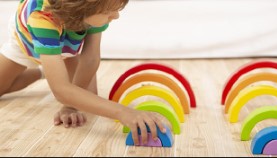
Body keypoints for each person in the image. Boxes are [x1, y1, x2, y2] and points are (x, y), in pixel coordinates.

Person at [0, 0, 166, 146]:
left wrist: (70, 107)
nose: (115, 16)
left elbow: (90, 59)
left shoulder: (97, 6)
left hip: (67, 45)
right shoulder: (41, 19)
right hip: (26, 41)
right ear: (80, 10)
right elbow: (61, 91)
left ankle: (53, 69)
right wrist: (124, 112)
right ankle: (45, 72)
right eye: (108, 12)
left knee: (86, 96)